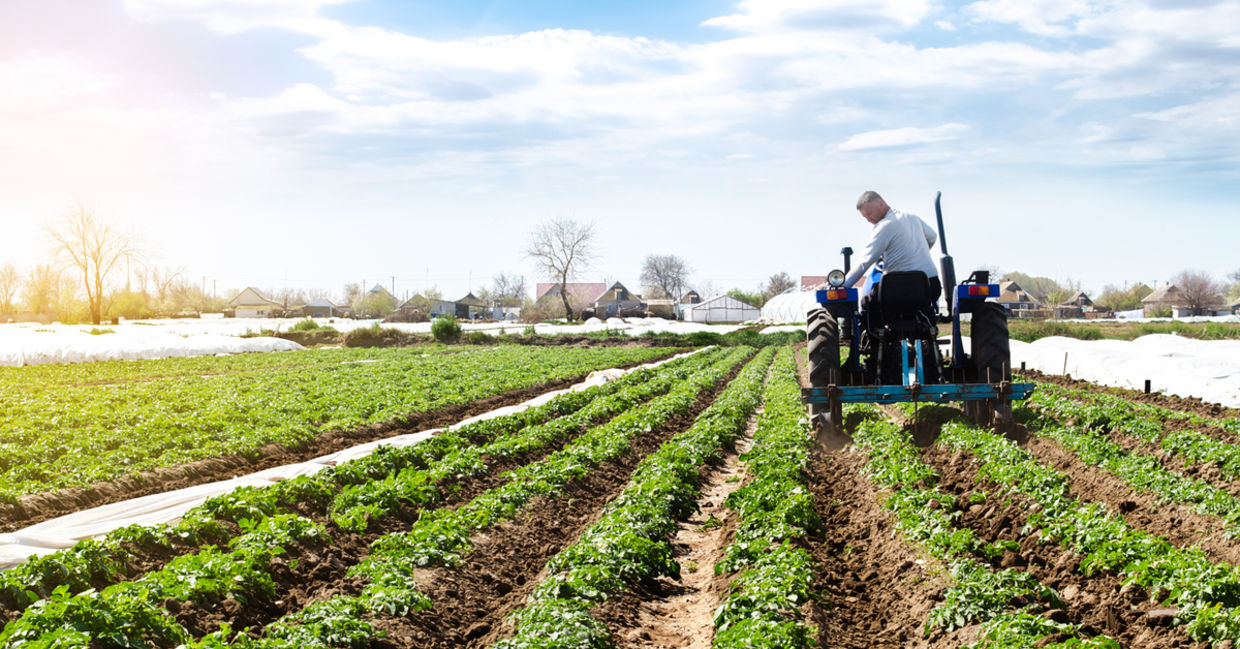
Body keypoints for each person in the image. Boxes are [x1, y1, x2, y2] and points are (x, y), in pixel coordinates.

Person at [844, 190, 942, 308]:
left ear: (880, 203)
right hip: (931, 286)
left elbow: (865, 261)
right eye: (865, 217)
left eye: (869, 214)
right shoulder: (911, 216)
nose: (868, 220)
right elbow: (932, 237)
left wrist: (844, 285)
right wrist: (915, 253)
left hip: (898, 289)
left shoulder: (884, 226)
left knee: (866, 305)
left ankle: (874, 326)